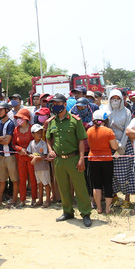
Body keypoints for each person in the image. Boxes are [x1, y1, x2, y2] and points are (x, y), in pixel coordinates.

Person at [46, 94, 93, 227]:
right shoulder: (52, 122)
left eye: (58, 103)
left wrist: (81, 158)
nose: (56, 106)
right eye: (54, 104)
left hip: (74, 158)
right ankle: (67, 211)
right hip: (59, 160)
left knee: (80, 187)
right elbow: (48, 139)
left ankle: (85, 213)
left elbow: (81, 140)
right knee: (63, 187)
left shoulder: (75, 120)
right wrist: (50, 150)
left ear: (65, 104)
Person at [105, 89, 135, 208]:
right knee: (111, 173)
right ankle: (115, 196)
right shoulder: (105, 111)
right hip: (110, 145)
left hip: (124, 144)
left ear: (122, 100)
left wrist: (121, 145)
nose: (115, 101)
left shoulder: (127, 112)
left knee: (127, 172)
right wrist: (113, 144)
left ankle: (127, 198)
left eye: (117, 98)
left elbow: (127, 129)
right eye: (113, 98)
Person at [87, 110, 118, 214]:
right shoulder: (108, 131)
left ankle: (99, 207)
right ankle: (108, 209)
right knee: (108, 183)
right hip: (106, 160)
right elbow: (114, 146)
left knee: (97, 185)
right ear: (105, 120)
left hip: (93, 159)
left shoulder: (89, 131)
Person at [0, 102, 20, 207]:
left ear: (6, 110)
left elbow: (7, 141)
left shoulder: (11, 123)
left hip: (10, 155)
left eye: (0, 110)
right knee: (1, 179)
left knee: (14, 179)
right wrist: (2, 138)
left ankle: (15, 199)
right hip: (2, 155)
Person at [12, 108, 37, 207]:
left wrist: (29, 150)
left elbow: (36, 141)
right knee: (22, 180)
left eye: (20, 117)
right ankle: (22, 200)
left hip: (31, 157)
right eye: (17, 118)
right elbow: (13, 144)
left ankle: (34, 199)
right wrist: (19, 149)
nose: (18, 119)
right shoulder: (16, 129)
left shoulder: (32, 128)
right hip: (20, 158)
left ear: (26, 118)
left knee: (33, 178)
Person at [28, 124, 51, 208]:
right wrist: (34, 157)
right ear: (33, 134)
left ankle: (48, 199)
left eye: (41, 132)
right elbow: (29, 153)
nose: (40, 134)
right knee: (39, 183)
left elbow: (44, 155)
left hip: (43, 166)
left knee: (46, 183)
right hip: (36, 167)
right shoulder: (31, 143)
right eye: (38, 133)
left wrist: (36, 157)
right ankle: (40, 199)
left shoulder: (43, 143)